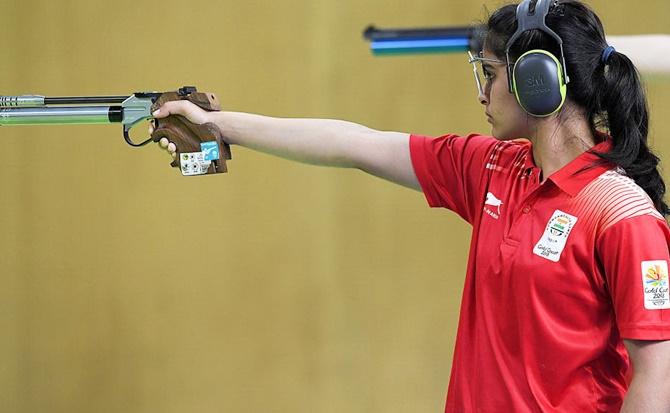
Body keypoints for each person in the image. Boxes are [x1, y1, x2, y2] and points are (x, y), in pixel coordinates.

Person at [151, 0, 670, 411]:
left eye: (488, 73)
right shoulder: (493, 169)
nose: (481, 94)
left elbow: (655, 378)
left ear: (533, 81)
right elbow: (352, 143)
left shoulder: (621, 213)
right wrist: (219, 126)